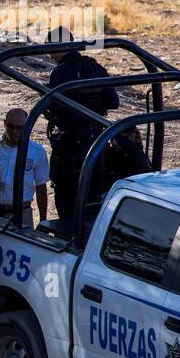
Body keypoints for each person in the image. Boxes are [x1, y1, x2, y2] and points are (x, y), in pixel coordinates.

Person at [45, 31, 120, 219]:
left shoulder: (61, 72)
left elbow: (55, 108)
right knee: (92, 197)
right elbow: (112, 102)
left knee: (67, 200)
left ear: (60, 47)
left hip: (71, 147)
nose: (49, 54)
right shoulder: (95, 67)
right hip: (96, 143)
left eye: (50, 48)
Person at [0, 108, 49, 228]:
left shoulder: (37, 152)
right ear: (4, 124)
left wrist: (43, 221)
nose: (15, 131)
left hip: (20, 214)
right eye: (11, 126)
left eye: (20, 127)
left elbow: (41, 187)